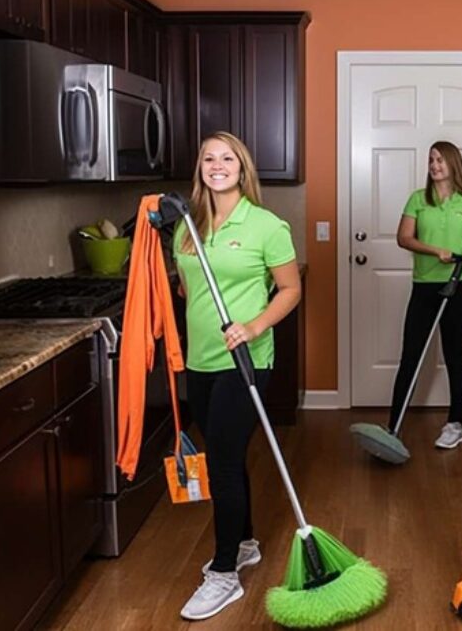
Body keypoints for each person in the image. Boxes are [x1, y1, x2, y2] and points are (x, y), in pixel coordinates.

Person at [174, 131, 301, 620]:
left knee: (223, 462)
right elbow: (189, 290)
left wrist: (252, 326)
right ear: (200, 168)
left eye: (227, 158)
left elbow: (290, 289)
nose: (217, 165)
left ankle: (224, 573)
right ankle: (245, 542)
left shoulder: (267, 225)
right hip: (200, 360)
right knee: (224, 453)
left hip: (245, 362)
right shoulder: (186, 226)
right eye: (209, 158)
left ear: (243, 169)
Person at [390, 141, 462, 449]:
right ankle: (393, 427)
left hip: (460, 287)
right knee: (411, 356)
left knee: (454, 355)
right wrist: (435, 251)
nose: (434, 165)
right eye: (431, 160)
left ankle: (455, 424)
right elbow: (404, 238)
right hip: (425, 287)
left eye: (440, 160)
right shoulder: (418, 199)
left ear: (453, 164)